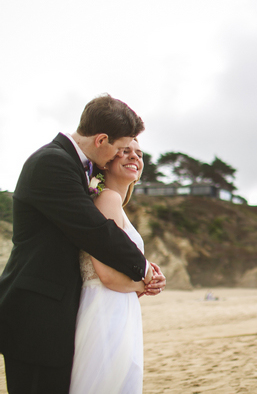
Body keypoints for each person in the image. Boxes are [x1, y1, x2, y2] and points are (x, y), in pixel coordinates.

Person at [0, 94, 164, 393]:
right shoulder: (52, 162)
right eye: (119, 148)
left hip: (60, 313)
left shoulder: (72, 166)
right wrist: (145, 272)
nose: (120, 155)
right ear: (102, 139)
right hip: (37, 314)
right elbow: (95, 232)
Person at [70, 138, 164, 394]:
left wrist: (147, 272)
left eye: (139, 153)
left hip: (114, 307)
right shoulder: (107, 199)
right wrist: (145, 284)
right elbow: (107, 276)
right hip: (105, 310)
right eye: (125, 151)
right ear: (107, 161)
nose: (135, 157)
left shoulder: (113, 204)